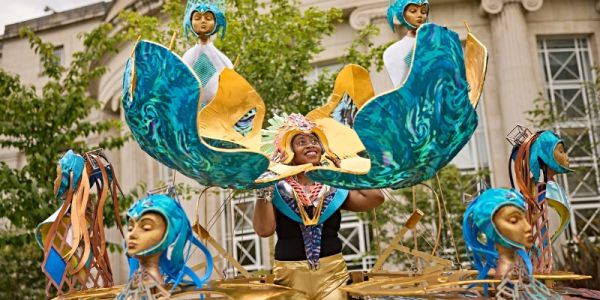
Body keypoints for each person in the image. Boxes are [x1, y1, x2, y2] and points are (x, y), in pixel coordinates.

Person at [253, 114, 384, 300]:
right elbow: (264, 230)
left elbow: (375, 197)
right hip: (290, 276)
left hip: (332, 274)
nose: (310, 145)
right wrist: (266, 183)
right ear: (288, 151)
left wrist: (345, 171)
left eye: (314, 140)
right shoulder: (276, 188)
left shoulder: (333, 186)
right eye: (301, 142)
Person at [463, 188, 560, 299]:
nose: (528, 227)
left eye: (524, 218)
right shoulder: (504, 275)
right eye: (514, 220)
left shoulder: (515, 269)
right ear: (493, 229)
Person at [118, 194, 213, 299]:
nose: (132, 234)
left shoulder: (152, 282)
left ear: (168, 235)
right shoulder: (139, 278)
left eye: (146, 227)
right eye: (130, 228)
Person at [182, 0, 232, 107]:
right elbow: (182, 84)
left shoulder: (223, 60)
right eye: (197, 18)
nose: (203, 21)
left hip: (217, 111)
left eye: (208, 18)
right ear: (190, 22)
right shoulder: (188, 57)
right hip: (194, 110)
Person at [383, 0, 429, 88]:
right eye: (413, 11)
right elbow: (401, 84)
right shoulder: (392, 52)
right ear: (403, 15)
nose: (420, 15)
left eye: (423, 11)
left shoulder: (436, 42)